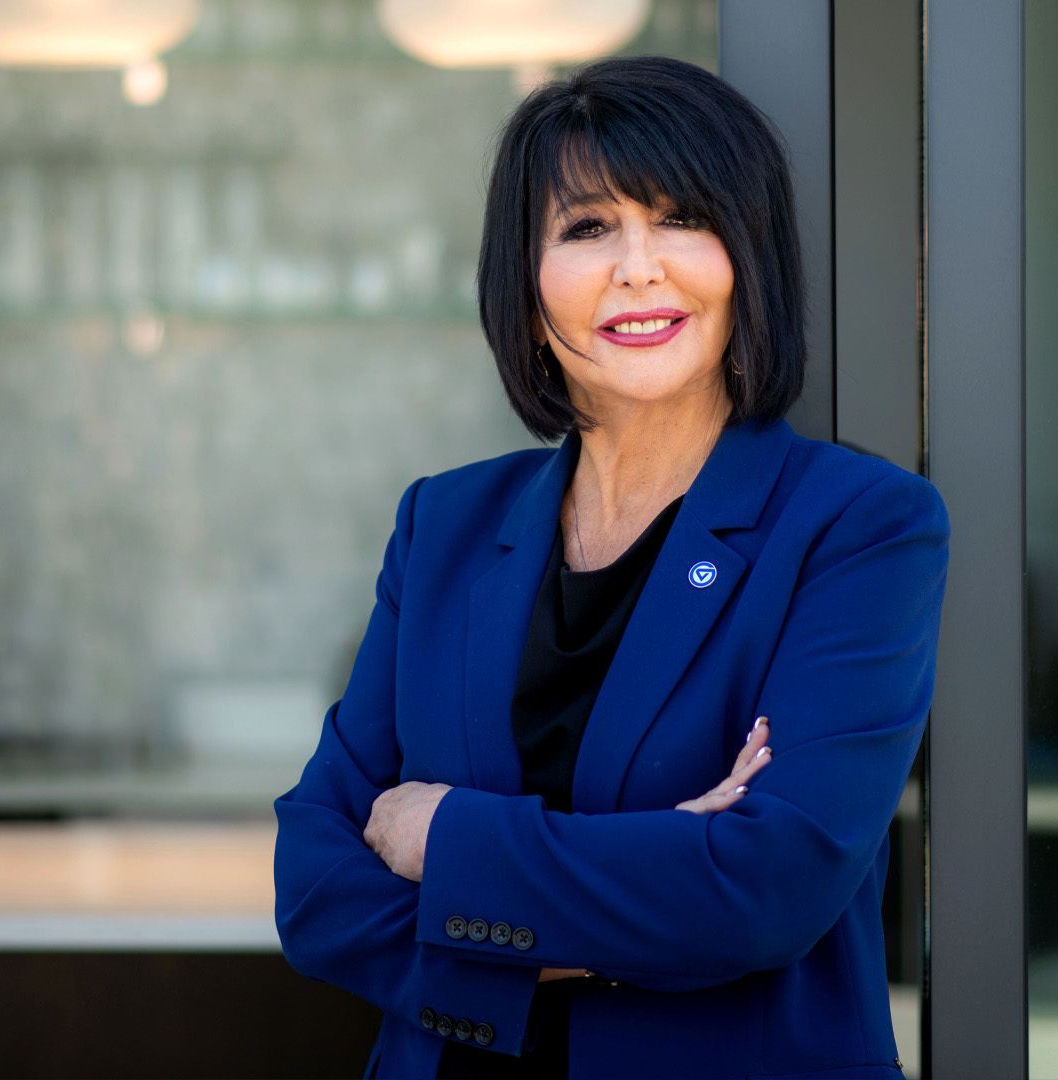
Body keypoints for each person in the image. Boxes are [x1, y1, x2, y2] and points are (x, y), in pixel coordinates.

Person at [273, 54, 949, 1079]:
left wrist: (449, 836)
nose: (640, 267)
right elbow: (317, 883)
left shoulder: (859, 528)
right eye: (588, 228)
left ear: (748, 255)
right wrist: (637, 889)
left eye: (683, 218)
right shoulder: (446, 523)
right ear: (527, 279)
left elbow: (766, 888)